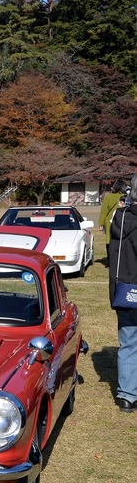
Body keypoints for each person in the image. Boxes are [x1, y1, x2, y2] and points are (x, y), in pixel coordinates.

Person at [109, 174, 137, 413]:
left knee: (128, 342)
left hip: (126, 289)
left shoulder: (120, 216)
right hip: (129, 288)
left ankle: (127, 395)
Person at [101, 180, 127, 262]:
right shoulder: (125, 196)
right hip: (123, 219)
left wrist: (101, 224)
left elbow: (104, 211)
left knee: (109, 240)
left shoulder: (108, 197)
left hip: (109, 221)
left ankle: (110, 259)